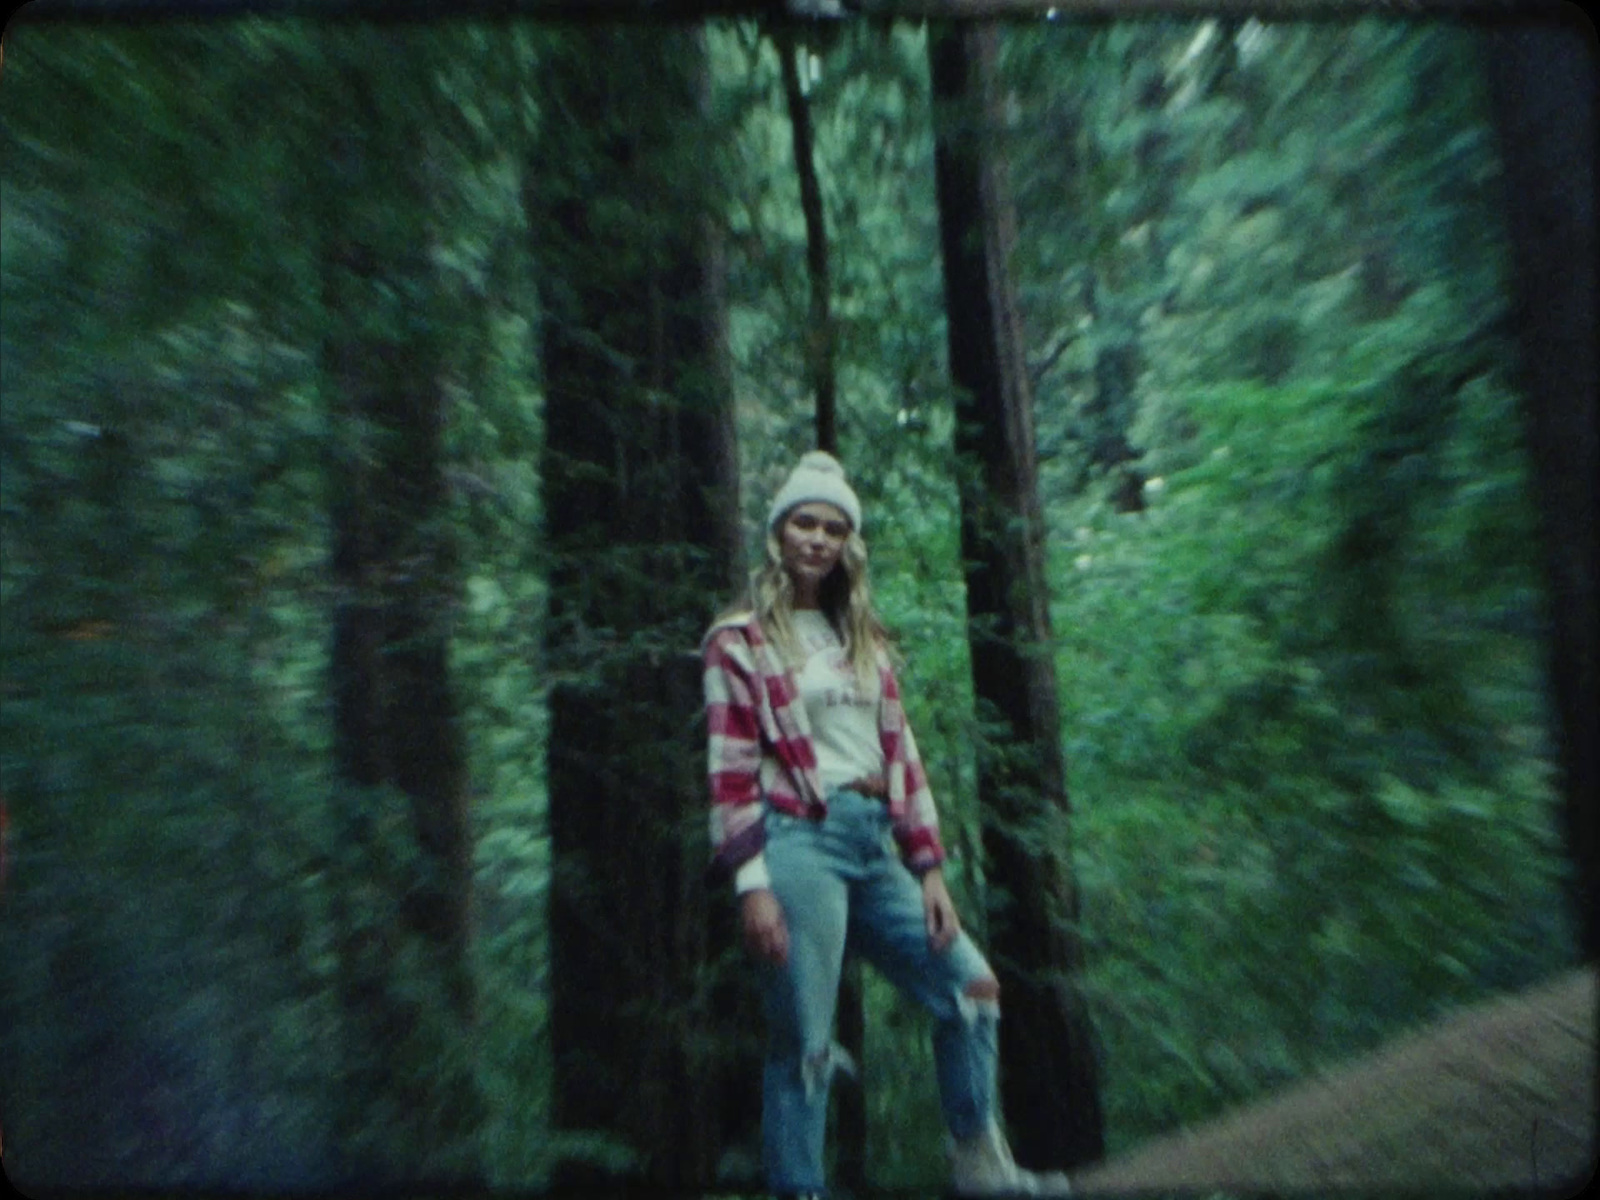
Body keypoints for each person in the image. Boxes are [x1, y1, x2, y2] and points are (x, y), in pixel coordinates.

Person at [702, 451, 1071, 1198]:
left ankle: (978, 1164)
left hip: (876, 844)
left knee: (970, 988)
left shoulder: (863, 638)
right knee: (803, 1039)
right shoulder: (738, 642)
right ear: (778, 531)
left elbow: (903, 757)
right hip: (796, 838)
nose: (818, 539)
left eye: (834, 528)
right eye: (805, 521)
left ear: (848, 544)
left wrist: (929, 866)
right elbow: (731, 770)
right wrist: (753, 886)